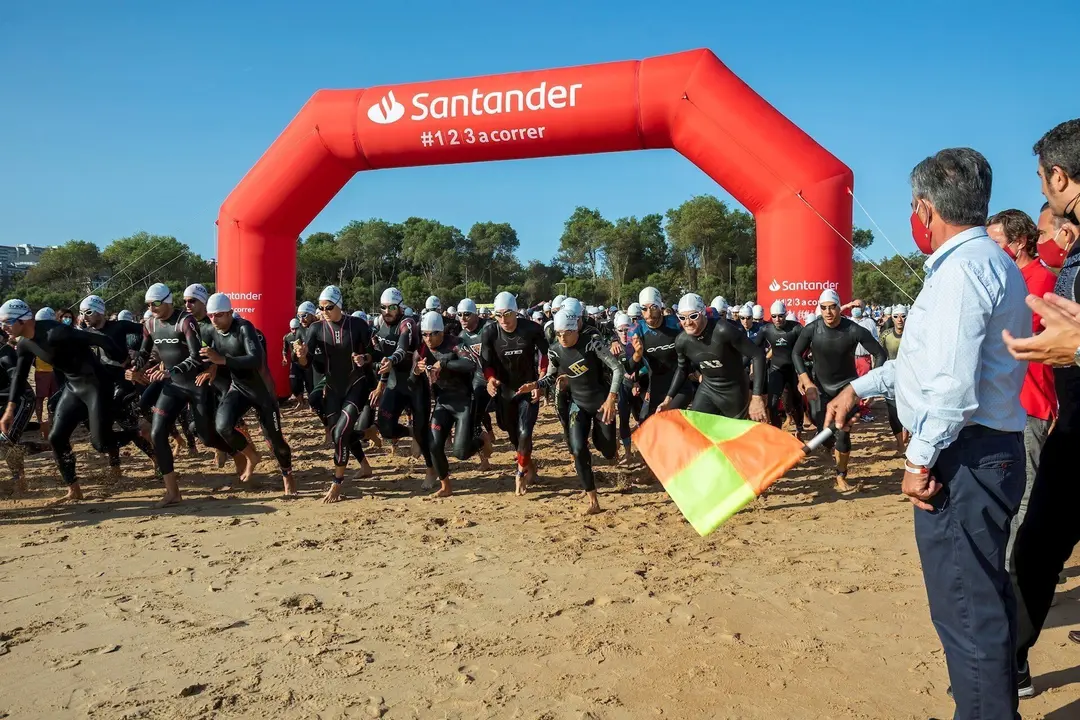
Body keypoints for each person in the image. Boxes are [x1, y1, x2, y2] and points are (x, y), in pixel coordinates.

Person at [825, 148, 1029, 717]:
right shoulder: (977, 262)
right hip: (979, 446)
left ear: (925, 208)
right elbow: (922, 362)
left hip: (964, 455)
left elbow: (949, 386)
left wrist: (917, 462)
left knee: (967, 610)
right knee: (977, 602)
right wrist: (859, 389)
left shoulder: (963, 270)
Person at [1003, 118, 1080, 696]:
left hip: (1055, 424)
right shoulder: (1069, 257)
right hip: (1072, 432)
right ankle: (1008, 666)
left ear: (1059, 176)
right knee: (1034, 550)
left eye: (1042, 179)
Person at [0, 299, 147, 502]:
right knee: (56, 438)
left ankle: (138, 432)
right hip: (73, 386)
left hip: (97, 384)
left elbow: (101, 340)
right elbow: (19, 376)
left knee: (101, 444)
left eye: (6, 322)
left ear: (23, 320)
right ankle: (74, 489)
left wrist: (125, 363)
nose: (3, 327)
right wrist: (10, 409)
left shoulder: (56, 332)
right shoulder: (25, 344)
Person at [131, 283, 254, 507]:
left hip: (196, 385)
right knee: (158, 433)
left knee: (206, 436)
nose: (152, 307)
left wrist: (171, 371)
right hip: (173, 386)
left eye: (156, 303)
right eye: (148, 304)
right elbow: (144, 351)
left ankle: (238, 452)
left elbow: (196, 358)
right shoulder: (149, 323)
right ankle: (173, 493)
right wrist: (135, 367)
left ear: (168, 301)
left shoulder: (184, 321)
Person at [986, 209, 1058, 574]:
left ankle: (1018, 567)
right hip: (1007, 401)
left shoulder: (1039, 279)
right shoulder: (1011, 277)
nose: (990, 249)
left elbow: (1015, 335)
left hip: (1031, 401)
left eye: (996, 242)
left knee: (1027, 489)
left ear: (1018, 242)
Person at [521, 308, 622, 514]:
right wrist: (535, 384)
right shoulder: (555, 350)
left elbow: (617, 368)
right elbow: (550, 376)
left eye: (566, 332)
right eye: (558, 334)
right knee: (577, 450)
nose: (563, 337)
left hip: (601, 403)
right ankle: (593, 500)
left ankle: (601, 437)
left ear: (576, 328)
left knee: (608, 451)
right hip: (578, 404)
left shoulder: (592, 342)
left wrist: (612, 397)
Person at [197, 293, 295, 497]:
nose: (215, 320)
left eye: (220, 315)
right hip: (239, 388)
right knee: (222, 426)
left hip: (263, 392)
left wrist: (222, 360)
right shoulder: (210, 330)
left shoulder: (244, 328)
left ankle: (287, 475)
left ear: (231, 313)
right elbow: (203, 354)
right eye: (211, 315)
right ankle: (252, 456)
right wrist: (211, 367)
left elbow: (255, 359)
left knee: (276, 441)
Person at [792, 289, 886, 491]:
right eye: (824, 308)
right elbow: (796, 353)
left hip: (846, 388)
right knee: (823, 429)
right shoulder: (812, 329)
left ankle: (841, 475)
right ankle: (827, 447)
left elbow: (880, 354)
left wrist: (868, 387)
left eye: (832, 307)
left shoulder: (853, 330)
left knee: (842, 431)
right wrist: (806, 381)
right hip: (820, 388)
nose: (828, 312)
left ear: (839, 307)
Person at [297, 286, 376, 503]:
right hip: (332, 388)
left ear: (339, 305)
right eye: (321, 307)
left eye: (328, 307)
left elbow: (375, 353)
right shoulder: (315, 329)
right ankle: (365, 463)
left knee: (341, 433)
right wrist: (302, 356)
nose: (324, 311)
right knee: (338, 434)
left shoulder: (357, 324)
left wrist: (364, 358)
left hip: (355, 384)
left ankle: (337, 483)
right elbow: (307, 363)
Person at [414, 311, 491, 497]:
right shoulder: (422, 349)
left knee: (461, 453)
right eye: (424, 334)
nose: (428, 338)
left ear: (441, 332)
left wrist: (444, 362)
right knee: (434, 445)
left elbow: (470, 364)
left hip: (464, 402)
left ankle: (482, 439)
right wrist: (416, 370)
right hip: (443, 403)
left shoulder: (455, 343)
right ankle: (445, 486)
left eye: (432, 334)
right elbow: (413, 373)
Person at [480, 291, 548, 495]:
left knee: (525, 432)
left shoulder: (532, 329)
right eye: (498, 315)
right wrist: (490, 379)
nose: (503, 320)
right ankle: (528, 464)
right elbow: (486, 362)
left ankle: (520, 473)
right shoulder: (490, 332)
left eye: (507, 314)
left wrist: (540, 382)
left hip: (527, 388)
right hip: (505, 391)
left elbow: (546, 355)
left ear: (516, 312)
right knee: (512, 433)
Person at [659, 293, 768, 421]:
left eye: (693, 316)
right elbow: (683, 369)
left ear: (703, 313)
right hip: (708, 389)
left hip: (734, 390)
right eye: (682, 317)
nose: (687, 322)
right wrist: (668, 399)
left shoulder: (723, 330)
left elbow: (757, 355)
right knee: (696, 429)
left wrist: (756, 397)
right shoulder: (682, 341)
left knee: (733, 436)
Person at [629, 287, 693, 419]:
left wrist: (696, 370)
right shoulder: (636, 329)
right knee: (646, 424)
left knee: (668, 420)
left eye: (653, 307)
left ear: (660, 307)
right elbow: (629, 369)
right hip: (656, 387)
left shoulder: (675, 323)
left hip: (680, 386)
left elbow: (695, 345)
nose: (649, 314)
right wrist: (637, 354)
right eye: (644, 309)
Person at [760, 300, 805, 437]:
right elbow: (753, 349)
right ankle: (777, 433)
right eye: (774, 316)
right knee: (772, 404)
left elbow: (808, 344)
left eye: (780, 316)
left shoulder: (796, 328)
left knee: (796, 402)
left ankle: (798, 429)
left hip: (793, 369)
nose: (777, 319)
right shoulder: (767, 330)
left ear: (785, 315)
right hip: (776, 369)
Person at [877, 305, 908, 454]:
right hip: (892, 377)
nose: (900, 320)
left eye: (903, 316)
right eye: (896, 316)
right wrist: (877, 372)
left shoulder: (914, 333)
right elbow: (879, 354)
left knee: (910, 410)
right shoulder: (886, 335)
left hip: (911, 378)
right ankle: (900, 443)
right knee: (893, 411)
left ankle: (907, 433)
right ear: (892, 318)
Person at [850, 305, 880, 422]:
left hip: (864, 358)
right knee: (851, 385)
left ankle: (864, 411)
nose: (856, 308)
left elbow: (875, 340)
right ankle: (853, 410)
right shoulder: (847, 321)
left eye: (858, 306)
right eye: (853, 306)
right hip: (850, 358)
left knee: (864, 385)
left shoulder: (869, 322)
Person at [282, 318, 306, 409]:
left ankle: (311, 403)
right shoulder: (287, 337)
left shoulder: (304, 334)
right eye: (293, 329)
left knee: (309, 383)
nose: (295, 331)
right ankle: (300, 401)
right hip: (295, 363)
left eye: (296, 328)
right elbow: (284, 349)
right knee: (294, 384)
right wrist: (284, 358)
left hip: (305, 362)